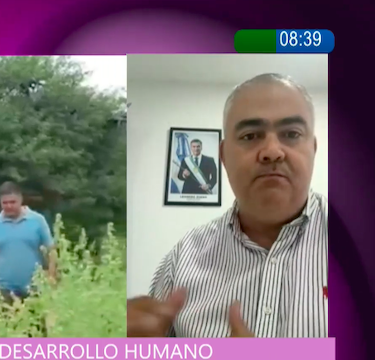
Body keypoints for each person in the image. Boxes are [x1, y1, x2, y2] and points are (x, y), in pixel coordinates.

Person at [128, 73, 328, 338]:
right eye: (250, 136)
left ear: (313, 149)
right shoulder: (181, 260)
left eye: (291, 134)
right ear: (223, 155)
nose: (272, 151)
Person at [0, 182, 56, 304]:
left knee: (34, 322)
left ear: (21, 200)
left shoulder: (37, 220)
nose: (9, 206)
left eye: (12, 202)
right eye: (5, 203)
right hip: (3, 290)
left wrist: (51, 275)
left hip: (34, 288)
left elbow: (51, 250)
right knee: (3, 323)